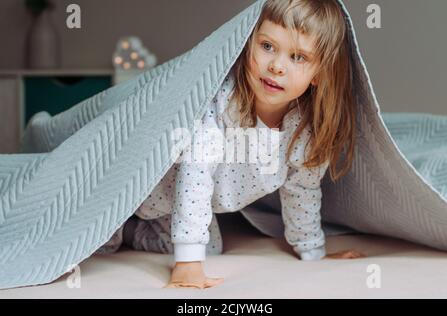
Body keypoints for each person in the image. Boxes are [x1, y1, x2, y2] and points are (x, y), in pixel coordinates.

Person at [96, 0, 366, 289]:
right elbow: (195, 173)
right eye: (267, 46)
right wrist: (187, 266)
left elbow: (302, 191)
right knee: (100, 237)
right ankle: (118, 222)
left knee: (210, 249)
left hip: (178, 206)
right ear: (249, 42)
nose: (276, 66)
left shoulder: (305, 133)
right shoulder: (221, 104)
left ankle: (130, 231)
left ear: (320, 73)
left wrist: (313, 252)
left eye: (298, 57)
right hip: (139, 185)